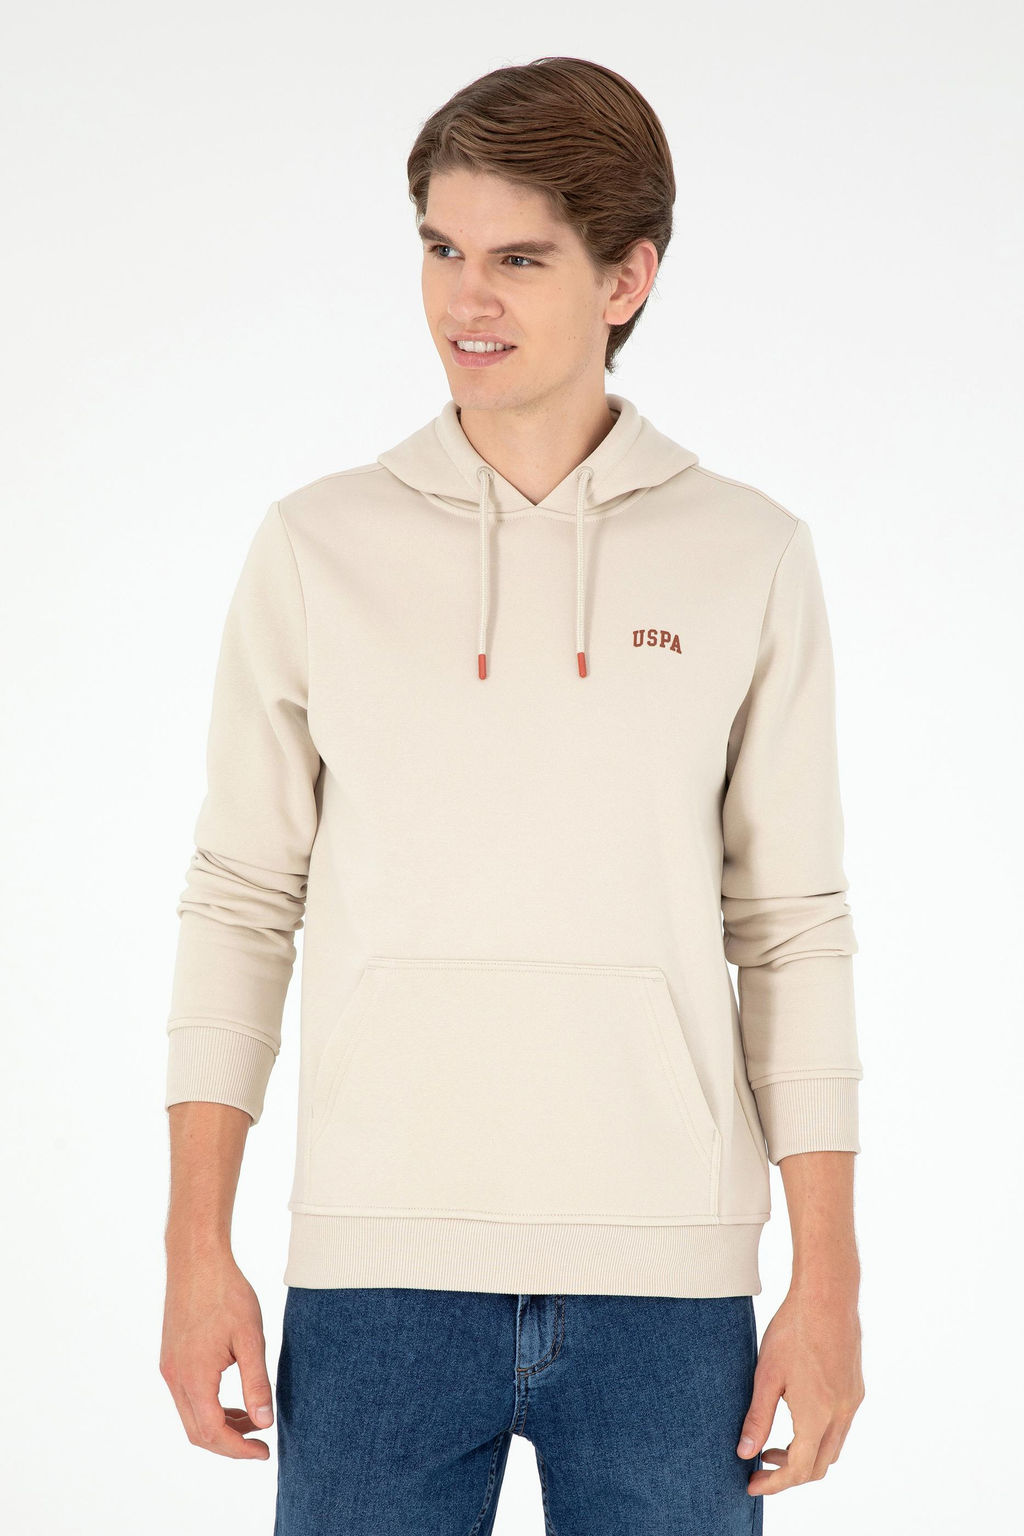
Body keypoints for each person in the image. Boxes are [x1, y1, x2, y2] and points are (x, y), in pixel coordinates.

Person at [159, 55, 865, 1535]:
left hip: (670, 1291)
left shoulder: (749, 555)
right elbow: (240, 900)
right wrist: (194, 1245)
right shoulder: (317, 547)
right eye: (441, 250)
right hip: (374, 1276)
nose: (463, 301)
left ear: (627, 278)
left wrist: (829, 1278)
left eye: (519, 260)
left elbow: (792, 926)